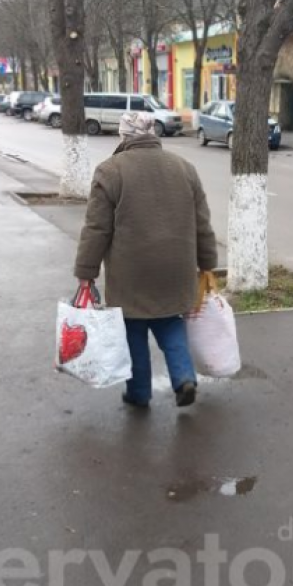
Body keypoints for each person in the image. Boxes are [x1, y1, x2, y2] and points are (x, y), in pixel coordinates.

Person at [74, 112, 218, 409]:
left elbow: (97, 229)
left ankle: (139, 393)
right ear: (153, 135)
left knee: (133, 333)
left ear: (124, 136)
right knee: (170, 324)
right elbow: (201, 223)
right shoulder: (184, 168)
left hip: (131, 273)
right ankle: (183, 378)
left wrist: (86, 272)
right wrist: (207, 263)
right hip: (175, 269)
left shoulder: (110, 171)